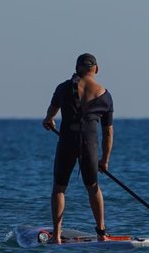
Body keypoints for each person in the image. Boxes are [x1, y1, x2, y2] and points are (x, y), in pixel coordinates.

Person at [42, 53, 114, 242]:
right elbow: (108, 133)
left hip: (67, 141)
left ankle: (56, 236)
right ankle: (101, 234)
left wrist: (49, 120)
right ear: (96, 69)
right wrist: (104, 160)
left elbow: (51, 111)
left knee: (59, 188)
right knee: (93, 187)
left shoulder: (63, 88)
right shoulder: (105, 96)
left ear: (76, 68)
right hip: (89, 145)